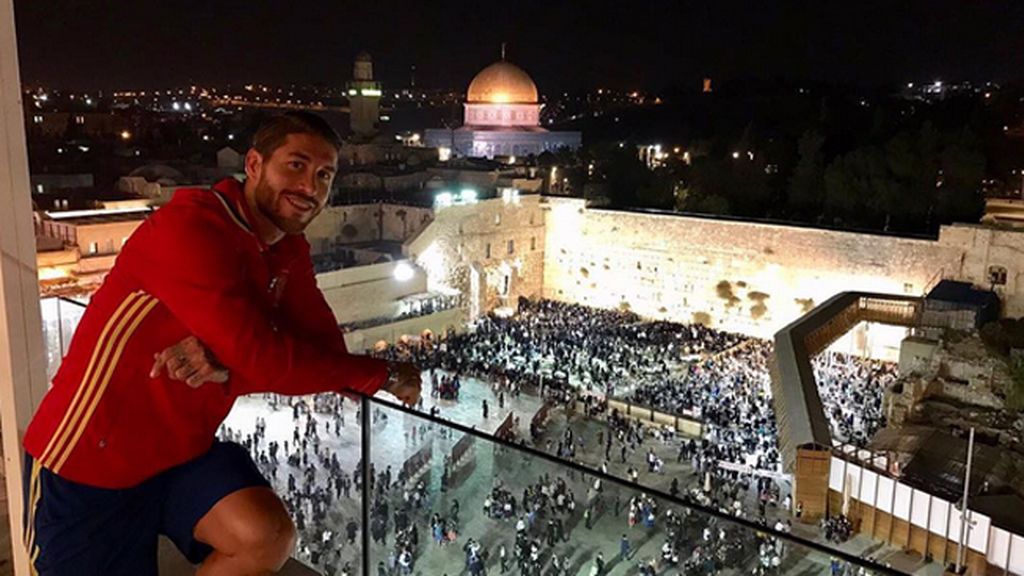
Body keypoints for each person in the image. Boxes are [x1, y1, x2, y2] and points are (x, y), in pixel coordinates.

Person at [21, 112, 423, 576]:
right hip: (89, 461)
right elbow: (270, 361)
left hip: (178, 452)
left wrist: (230, 358)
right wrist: (382, 374)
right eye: (295, 165)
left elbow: (321, 347)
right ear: (253, 164)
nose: (310, 186)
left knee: (265, 536)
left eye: (324, 175)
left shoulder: (284, 249)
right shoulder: (190, 229)